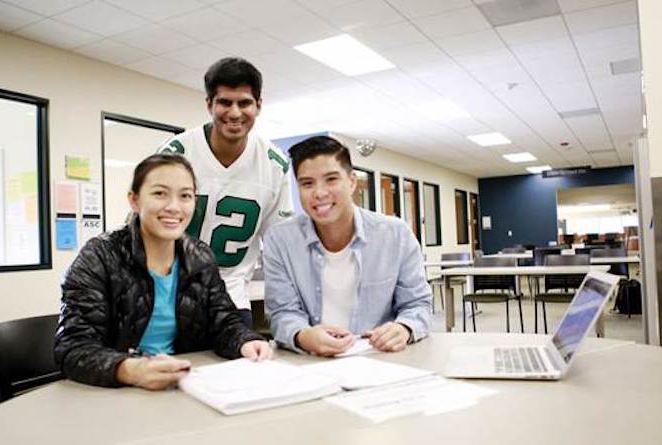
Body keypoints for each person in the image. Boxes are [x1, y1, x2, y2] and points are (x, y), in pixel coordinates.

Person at [55, 154, 272, 390]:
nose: (173, 207)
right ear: (135, 200)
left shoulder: (200, 257)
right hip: (116, 389)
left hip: (185, 386)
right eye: (160, 193)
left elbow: (224, 322)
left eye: (185, 196)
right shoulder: (100, 256)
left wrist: (246, 341)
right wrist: (129, 370)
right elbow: (73, 346)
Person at [264, 136, 432, 357]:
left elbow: (418, 304)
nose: (319, 193)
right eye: (307, 183)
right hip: (310, 362)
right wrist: (303, 336)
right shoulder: (280, 240)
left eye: (331, 179)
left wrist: (404, 328)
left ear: (352, 181)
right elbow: (282, 312)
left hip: (380, 358)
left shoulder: (395, 234)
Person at [159, 57, 292, 328]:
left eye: (244, 103)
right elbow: (145, 230)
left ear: (259, 106)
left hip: (232, 300)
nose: (234, 113)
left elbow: (281, 245)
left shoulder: (273, 164)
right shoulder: (175, 154)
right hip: (170, 297)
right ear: (209, 104)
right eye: (224, 102)